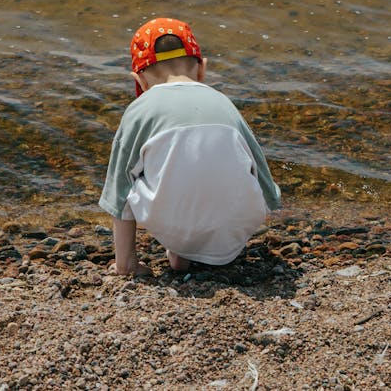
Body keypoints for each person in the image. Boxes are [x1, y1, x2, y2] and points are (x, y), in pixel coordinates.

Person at [99, 17, 281, 275]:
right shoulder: (224, 104)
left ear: (139, 80)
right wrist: (270, 201)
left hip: (176, 229)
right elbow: (261, 172)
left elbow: (117, 189)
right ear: (202, 69)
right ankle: (193, 252)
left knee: (131, 176)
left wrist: (123, 261)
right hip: (237, 229)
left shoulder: (140, 110)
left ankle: (129, 262)